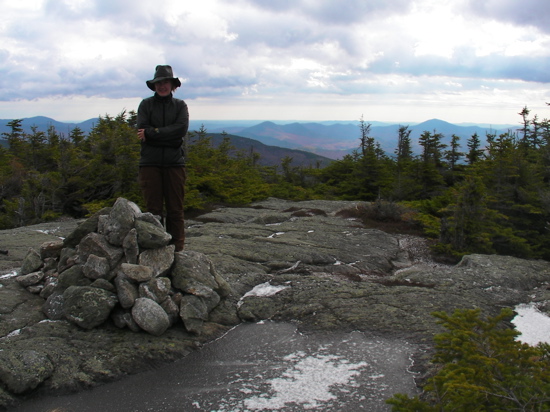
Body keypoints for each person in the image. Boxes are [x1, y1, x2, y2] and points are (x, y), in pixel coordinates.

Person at [137, 65, 189, 251]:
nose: (162, 86)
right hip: (150, 164)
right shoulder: (146, 105)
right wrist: (169, 136)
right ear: (155, 85)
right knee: (154, 211)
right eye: (159, 82)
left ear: (172, 85)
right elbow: (142, 130)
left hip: (175, 163)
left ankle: (177, 248)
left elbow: (180, 130)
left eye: (165, 82)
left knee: (175, 209)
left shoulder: (180, 106)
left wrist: (153, 133)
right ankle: (157, 248)